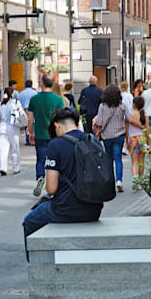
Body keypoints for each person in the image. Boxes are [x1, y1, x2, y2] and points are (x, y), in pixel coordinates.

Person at [21, 107, 104, 258]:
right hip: (94, 208)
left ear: (57, 125)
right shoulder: (92, 140)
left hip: (66, 209)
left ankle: (37, 267)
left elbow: (51, 188)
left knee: (30, 221)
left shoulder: (55, 145)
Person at [94, 84, 137, 193]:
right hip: (119, 134)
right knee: (118, 159)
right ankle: (119, 180)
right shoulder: (122, 105)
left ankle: (110, 181)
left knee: (109, 159)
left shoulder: (102, 106)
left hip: (107, 136)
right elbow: (129, 118)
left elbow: (98, 122)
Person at [27, 75, 66, 197]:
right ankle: (54, 186)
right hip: (55, 135)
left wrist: (30, 131)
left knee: (40, 159)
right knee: (55, 160)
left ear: (42, 84)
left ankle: (40, 177)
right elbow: (62, 118)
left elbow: (30, 117)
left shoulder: (34, 99)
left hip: (40, 134)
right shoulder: (58, 99)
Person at [0, 86, 22, 176]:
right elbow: (22, 114)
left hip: (2, 128)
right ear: (12, 94)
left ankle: (3, 168)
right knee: (15, 148)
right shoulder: (15, 102)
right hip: (13, 128)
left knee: (3, 149)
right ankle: (16, 167)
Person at [128, 96, 150, 191]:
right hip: (142, 138)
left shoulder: (130, 115)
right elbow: (147, 130)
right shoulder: (145, 116)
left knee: (134, 161)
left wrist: (126, 140)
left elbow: (127, 129)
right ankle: (140, 180)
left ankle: (134, 178)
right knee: (141, 161)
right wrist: (148, 142)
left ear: (133, 104)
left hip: (133, 138)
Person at [18, 80, 38, 145]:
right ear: (31, 85)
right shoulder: (34, 92)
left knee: (26, 125)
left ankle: (27, 140)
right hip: (33, 109)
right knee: (33, 123)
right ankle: (33, 139)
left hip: (23, 110)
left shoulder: (21, 93)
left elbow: (19, 103)